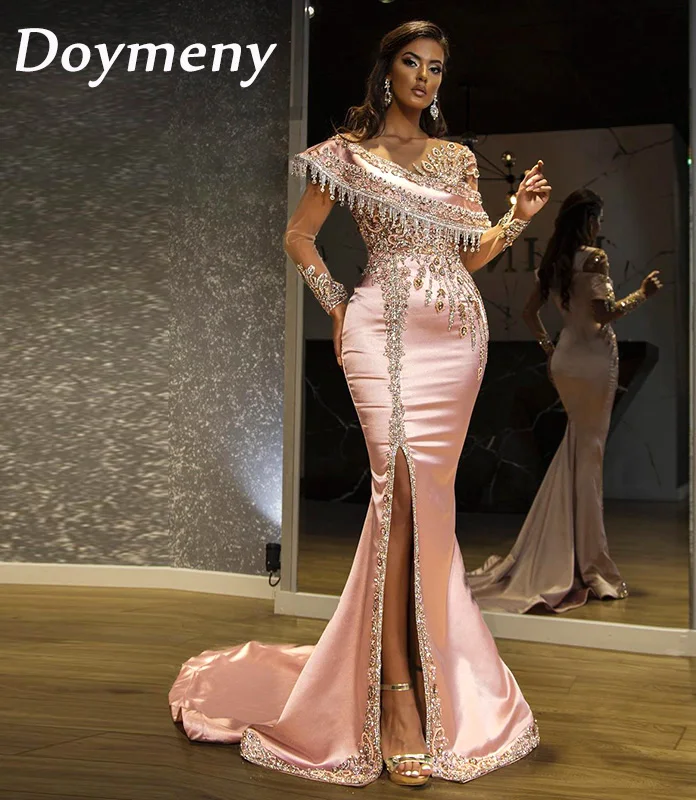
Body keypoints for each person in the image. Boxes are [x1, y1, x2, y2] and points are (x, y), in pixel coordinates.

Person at [169, 20, 552, 787]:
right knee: (398, 492)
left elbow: (471, 252)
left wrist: (517, 218)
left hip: (457, 334)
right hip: (383, 330)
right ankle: (398, 696)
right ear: (387, 72)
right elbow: (299, 236)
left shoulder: (456, 159)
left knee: (424, 506)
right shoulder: (344, 156)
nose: (425, 77)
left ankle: (417, 677)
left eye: (437, 66)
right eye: (412, 62)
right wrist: (337, 303)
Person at [468, 189, 662, 614]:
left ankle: (570, 554)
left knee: (576, 456)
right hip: (593, 362)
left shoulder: (554, 262)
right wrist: (643, 293)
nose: (600, 226)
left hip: (568, 359)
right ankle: (591, 564)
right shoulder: (593, 258)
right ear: (588, 219)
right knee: (587, 461)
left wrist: (550, 349)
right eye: (599, 218)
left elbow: (529, 313)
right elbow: (603, 314)